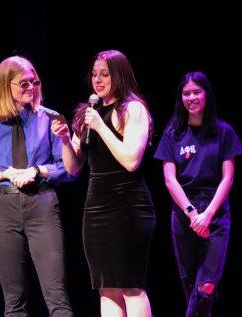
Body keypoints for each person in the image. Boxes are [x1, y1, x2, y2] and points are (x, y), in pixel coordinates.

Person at [0, 55, 75, 317]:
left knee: (56, 295)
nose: (31, 89)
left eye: (34, 82)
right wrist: (4, 174)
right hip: (4, 209)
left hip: (42, 203)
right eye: (23, 84)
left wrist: (37, 170)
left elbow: (69, 168)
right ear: (5, 86)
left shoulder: (50, 119)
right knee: (14, 301)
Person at [51, 50, 156, 317]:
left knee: (130, 285)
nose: (97, 80)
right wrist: (65, 139)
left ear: (119, 75)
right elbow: (73, 167)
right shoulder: (90, 113)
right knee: (106, 287)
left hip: (128, 205)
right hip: (96, 206)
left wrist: (100, 126)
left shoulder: (133, 109)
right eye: (94, 74)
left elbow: (131, 160)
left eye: (105, 75)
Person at [154, 71, 242, 316]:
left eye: (197, 92)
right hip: (184, 213)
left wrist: (208, 215)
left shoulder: (223, 132)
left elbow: (228, 178)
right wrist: (193, 214)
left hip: (215, 213)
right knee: (190, 284)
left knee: (206, 287)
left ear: (207, 95)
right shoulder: (173, 133)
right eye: (186, 93)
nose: (191, 97)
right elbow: (169, 179)